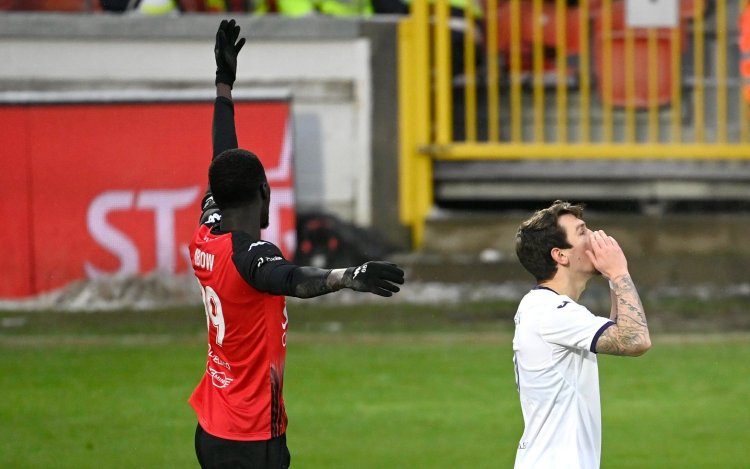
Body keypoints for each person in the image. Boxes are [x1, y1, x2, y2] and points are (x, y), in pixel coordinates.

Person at [189, 19, 405, 469]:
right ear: (263, 194)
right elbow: (290, 278)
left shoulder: (207, 230)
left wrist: (224, 86)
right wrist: (349, 276)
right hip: (251, 438)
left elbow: (222, 157)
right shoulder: (251, 256)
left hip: (211, 427)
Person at [512, 200, 651, 469]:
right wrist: (619, 271)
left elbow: (620, 331)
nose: (597, 238)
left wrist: (614, 276)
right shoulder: (550, 312)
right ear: (560, 255)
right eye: (582, 232)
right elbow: (636, 340)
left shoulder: (546, 308)